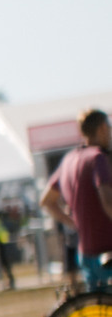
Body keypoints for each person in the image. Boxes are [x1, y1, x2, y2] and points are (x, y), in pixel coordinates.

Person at [44, 109, 112, 292]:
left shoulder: (69, 160)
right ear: (102, 128)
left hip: (86, 251)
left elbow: (47, 201)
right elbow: (108, 203)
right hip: (107, 251)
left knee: (100, 314)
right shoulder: (98, 157)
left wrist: (74, 224)